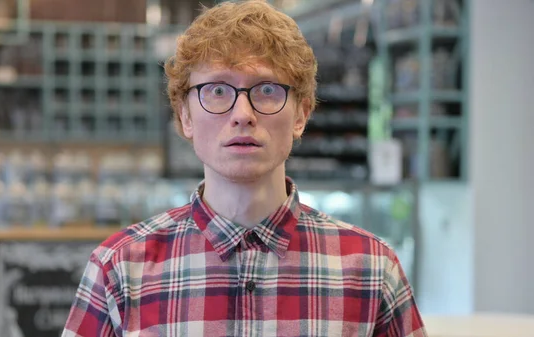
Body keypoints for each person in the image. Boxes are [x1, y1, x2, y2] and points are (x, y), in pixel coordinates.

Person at [62, 1, 427, 336]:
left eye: (267, 90)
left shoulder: (371, 271)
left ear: (301, 114)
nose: (243, 115)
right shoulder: (120, 271)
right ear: (186, 116)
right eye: (217, 91)